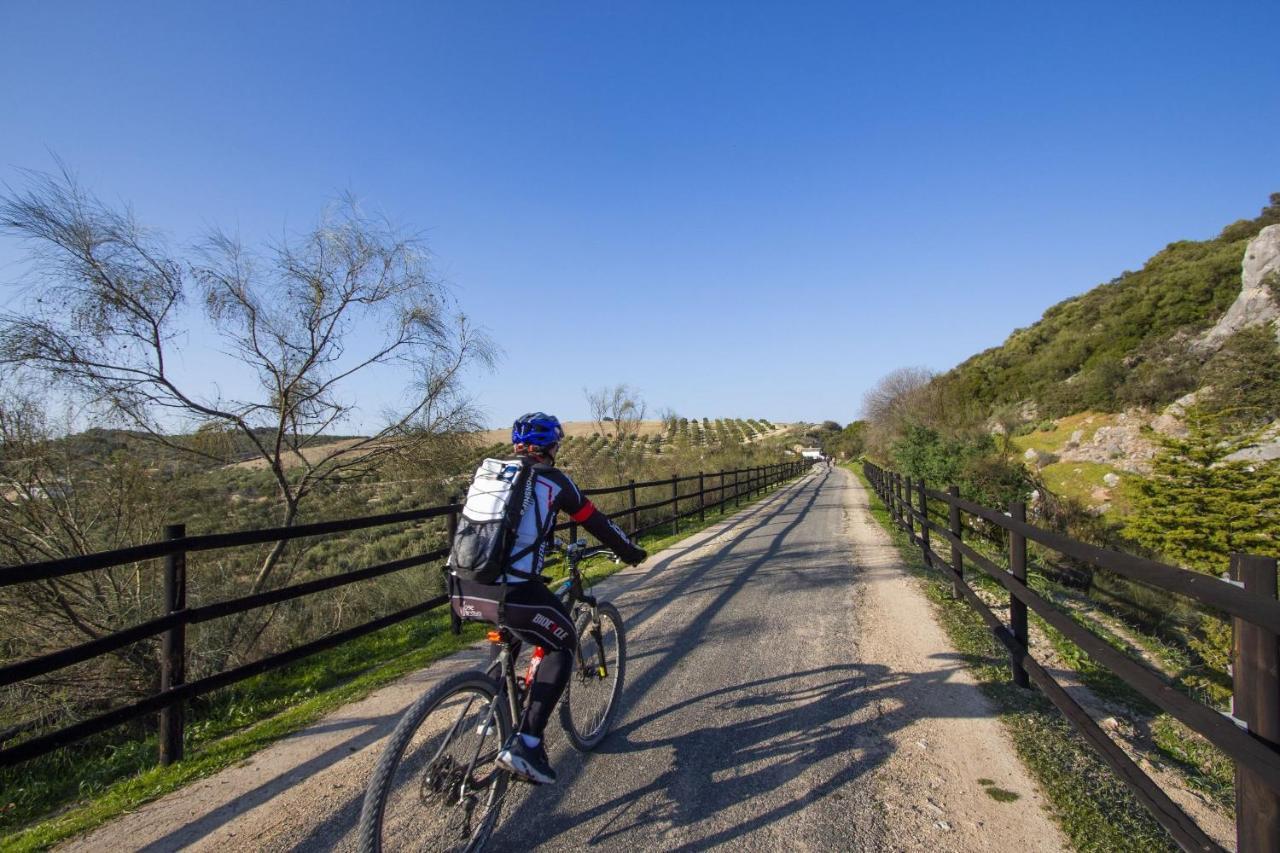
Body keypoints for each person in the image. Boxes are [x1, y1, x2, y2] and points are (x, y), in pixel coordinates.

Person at [449, 412, 647, 785]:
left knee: (505, 628)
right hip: (513, 594)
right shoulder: (555, 481)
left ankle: (495, 709)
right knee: (564, 640)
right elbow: (597, 521)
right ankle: (526, 742)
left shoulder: (492, 474)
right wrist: (631, 552)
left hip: (464, 589)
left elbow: (501, 530)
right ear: (553, 446)